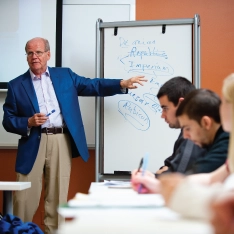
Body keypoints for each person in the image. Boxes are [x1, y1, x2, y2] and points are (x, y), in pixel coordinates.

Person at [2, 37, 147, 234]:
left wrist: (121, 83)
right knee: (24, 198)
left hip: (61, 140)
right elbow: (8, 120)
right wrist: (27, 122)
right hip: (32, 142)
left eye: (38, 52)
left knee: (57, 197)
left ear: (48, 54)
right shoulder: (16, 85)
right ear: (26, 57)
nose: (34, 56)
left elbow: (92, 85)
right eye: (30, 53)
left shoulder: (65, 76)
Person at [159, 74, 234, 227]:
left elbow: (224, 205)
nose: (220, 106)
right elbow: (212, 178)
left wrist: (175, 188)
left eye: (225, 101)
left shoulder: (227, 139)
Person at [131, 88, 229, 194]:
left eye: (188, 128)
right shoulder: (216, 140)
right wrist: (155, 178)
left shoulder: (227, 141)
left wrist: (158, 182)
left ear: (206, 123)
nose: (185, 136)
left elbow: (198, 173)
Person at [153, 77, 206, 175]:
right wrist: (165, 170)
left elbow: (176, 175)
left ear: (182, 104)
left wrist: (162, 173)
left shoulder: (195, 130)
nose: (162, 115)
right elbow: (170, 163)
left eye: (165, 108)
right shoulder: (186, 130)